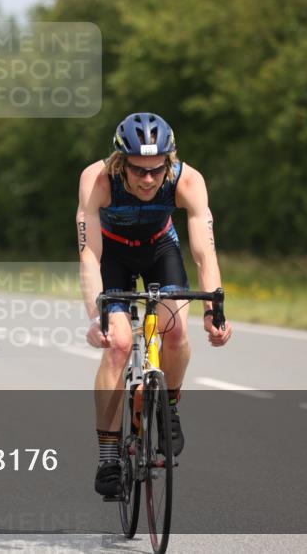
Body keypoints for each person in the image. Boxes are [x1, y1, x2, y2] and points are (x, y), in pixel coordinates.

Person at [77, 112, 234, 498]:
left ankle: (170, 407)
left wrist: (215, 308)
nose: (148, 179)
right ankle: (109, 455)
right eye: (138, 170)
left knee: (176, 330)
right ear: (120, 163)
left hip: (161, 249)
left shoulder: (188, 180)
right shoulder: (97, 179)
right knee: (118, 344)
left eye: (156, 170)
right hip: (113, 253)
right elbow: (89, 255)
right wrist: (96, 316)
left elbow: (204, 253)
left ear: (169, 162)